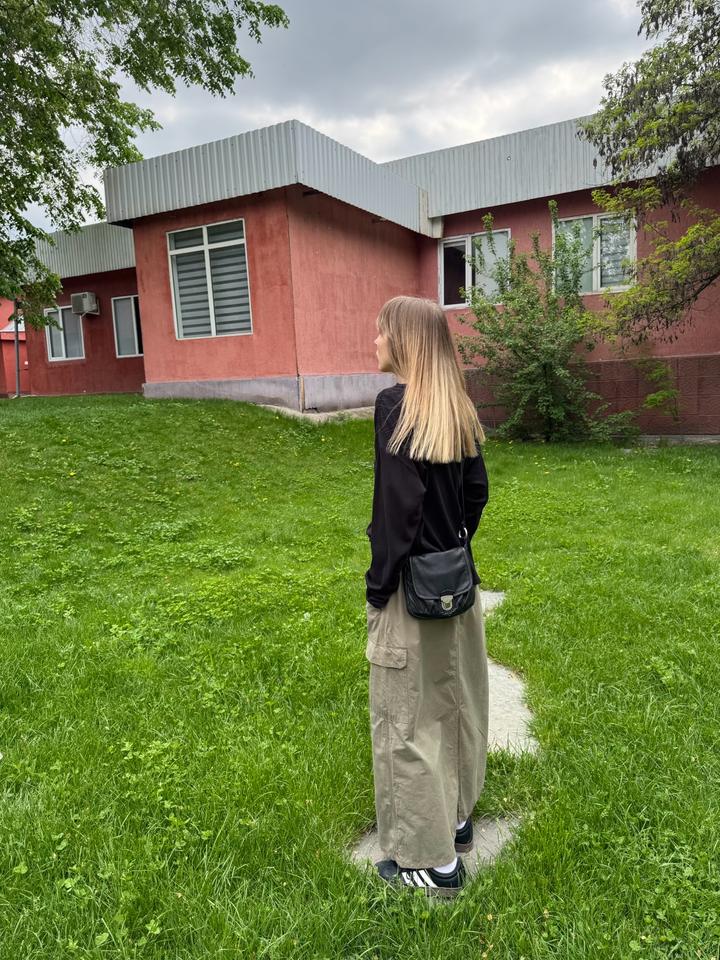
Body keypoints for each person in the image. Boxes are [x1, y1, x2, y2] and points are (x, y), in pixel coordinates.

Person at [364, 295, 490, 898]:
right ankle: (458, 822)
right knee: (455, 703)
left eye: (381, 331)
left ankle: (430, 861)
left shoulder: (394, 406)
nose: (375, 341)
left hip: (409, 593)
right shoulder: (457, 406)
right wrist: (450, 551)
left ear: (405, 341)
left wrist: (378, 586)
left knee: (406, 720)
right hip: (457, 586)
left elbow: (399, 511)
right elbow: (476, 493)